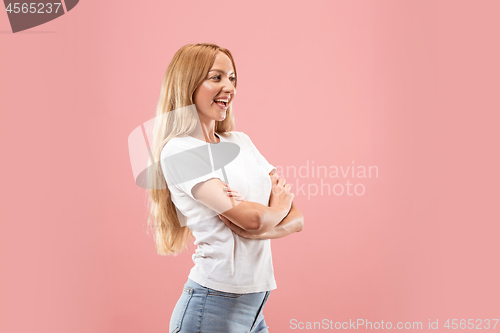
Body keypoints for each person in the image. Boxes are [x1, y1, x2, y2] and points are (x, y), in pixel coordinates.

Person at [146, 43, 304, 333]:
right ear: (187, 83)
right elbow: (254, 218)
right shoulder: (179, 151)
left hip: (255, 308)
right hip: (211, 308)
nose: (228, 87)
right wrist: (276, 208)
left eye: (232, 78)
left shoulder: (240, 142)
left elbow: (297, 220)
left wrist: (264, 227)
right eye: (216, 77)